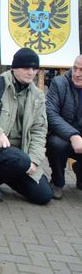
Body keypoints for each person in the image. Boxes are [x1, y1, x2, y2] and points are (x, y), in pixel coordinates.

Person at [0, 47, 53, 205]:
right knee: (18, 160)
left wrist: (34, 161)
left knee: (43, 195)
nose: (31, 72)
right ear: (14, 68)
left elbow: (39, 131)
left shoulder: (38, 96)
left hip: (21, 155)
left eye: (34, 68)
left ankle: (7, 174)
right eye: (26, 67)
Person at [45, 55, 82, 199]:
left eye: (81, 70)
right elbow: (51, 113)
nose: (77, 74)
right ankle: (57, 181)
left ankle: (80, 171)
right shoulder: (59, 83)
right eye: (75, 68)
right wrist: (73, 135)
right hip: (62, 135)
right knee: (56, 144)